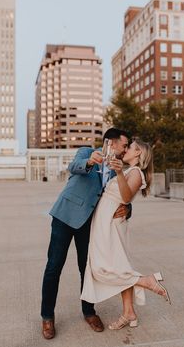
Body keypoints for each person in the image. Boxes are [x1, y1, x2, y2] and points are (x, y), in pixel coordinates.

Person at [41, 128, 130, 339]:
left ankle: (89, 312)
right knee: (54, 267)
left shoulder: (119, 168)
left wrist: (127, 208)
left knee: (86, 268)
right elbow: (73, 167)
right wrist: (90, 162)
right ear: (111, 142)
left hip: (88, 224)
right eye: (124, 145)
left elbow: (124, 193)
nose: (125, 150)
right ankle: (47, 316)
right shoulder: (86, 152)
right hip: (65, 216)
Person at [81, 138, 171, 330]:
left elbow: (126, 196)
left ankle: (145, 280)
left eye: (130, 147)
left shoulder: (136, 172)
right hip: (106, 221)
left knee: (101, 268)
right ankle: (129, 312)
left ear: (138, 153)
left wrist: (120, 172)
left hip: (111, 224)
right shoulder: (129, 171)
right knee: (121, 266)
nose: (127, 149)